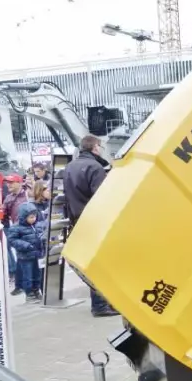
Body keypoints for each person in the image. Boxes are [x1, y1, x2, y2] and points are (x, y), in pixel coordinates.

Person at [63, 135, 120, 318]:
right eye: (100, 146)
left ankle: (101, 303)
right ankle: (101, 305)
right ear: (95, 147)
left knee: (91, 263)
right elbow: (102, 197)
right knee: (102, 264)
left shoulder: (70, 166)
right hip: (95, 222)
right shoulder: (95, 167)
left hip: (78, 220)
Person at [5, 203, 46, 303]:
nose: (33, 219)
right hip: (25, 257)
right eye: (31, 217)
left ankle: (36, 291)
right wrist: (25, 245)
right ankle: (29, 294)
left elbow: (42, 235)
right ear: (24, 217)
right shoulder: (16, 227)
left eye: (35, 216)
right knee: (28, 276)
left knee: (37, 275)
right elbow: (12, 240)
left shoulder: (37, 225)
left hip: (37, 256)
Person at [1, 174, 28, 296]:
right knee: (20, 258)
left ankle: (32, 287)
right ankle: (20, 285)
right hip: (17, 231)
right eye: (7, 183)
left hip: (31, 230)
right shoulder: (8, 198)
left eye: (11, 182)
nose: (9, 185)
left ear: (19, 183)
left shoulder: (28, 194)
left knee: (31, 259)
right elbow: (3, 214)